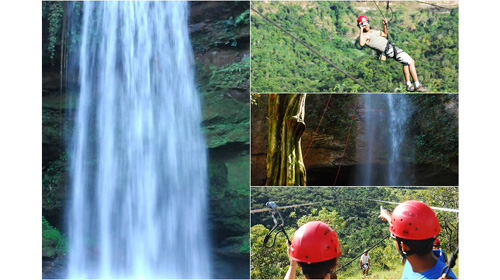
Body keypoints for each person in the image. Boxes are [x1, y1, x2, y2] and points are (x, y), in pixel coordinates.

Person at [378, 201, 456, 279]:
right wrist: (386, 215)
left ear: (404, 246)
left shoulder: (444, 277)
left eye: (393, 237)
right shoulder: (418, 258)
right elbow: (403, 227)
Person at [357, 15, 428, 92]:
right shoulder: (364, 36)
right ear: (360, 26)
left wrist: (384, 25)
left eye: (367, 23)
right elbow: (361, 43)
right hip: (389, 50)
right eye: (363, 24)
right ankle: (417, 85)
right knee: (411, 61)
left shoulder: (373, 31)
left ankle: (408, 85)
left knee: (406, 63)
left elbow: (385, 34)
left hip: (391, 48)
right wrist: (361, 30)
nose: (366, 25)